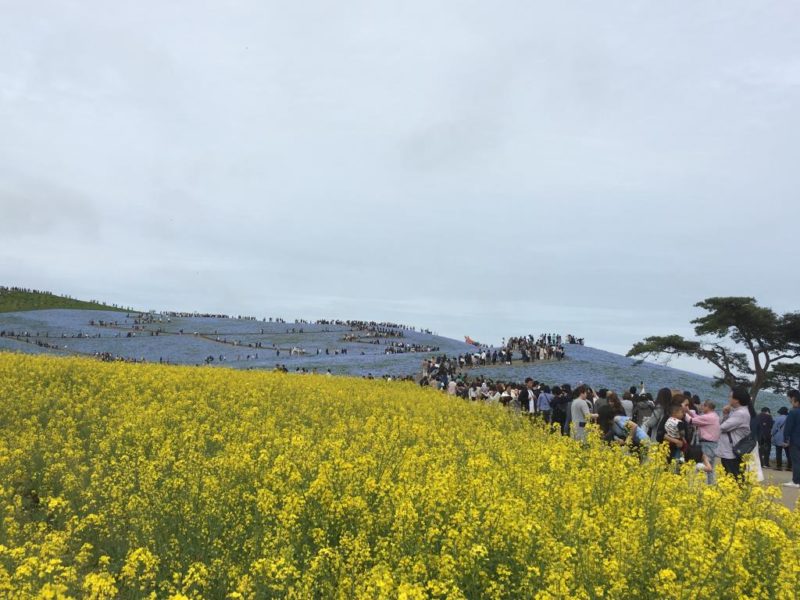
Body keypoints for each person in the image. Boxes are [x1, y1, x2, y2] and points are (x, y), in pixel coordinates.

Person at [717, 386, 752, 479]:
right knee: (732, 480)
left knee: (733, 480)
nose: (729, 399)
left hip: (732, 453)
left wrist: (723, 415)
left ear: (736, 400)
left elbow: (721, 427)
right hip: (730, 452)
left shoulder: (741, 413)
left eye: (730, 397)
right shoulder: (737, 411)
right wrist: (725, 414)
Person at [685, 400, 720, 484]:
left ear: (707, 407)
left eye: (703, 406)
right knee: (710, 466)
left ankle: (706, 486)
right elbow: (698, 418)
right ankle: (710, 485)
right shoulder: (714, 415)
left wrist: (683, 412)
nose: (701, 407)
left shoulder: (708, 417)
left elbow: (691, 421)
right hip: (712, 444)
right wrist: (689, 411)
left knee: (706, 466)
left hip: (707, 444)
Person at [781, 389, 800, 489]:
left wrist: (785, 440)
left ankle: (796, 481)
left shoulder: (793, 412)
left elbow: (788, 428)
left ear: (793, 399)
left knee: (796, 461)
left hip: (795, 441)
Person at [772, 407, 792, 471]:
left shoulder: (778, 418)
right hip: (787, 438)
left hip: (778, 437)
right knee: (788, 453)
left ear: (780, 412)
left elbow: (774, 428)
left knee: (778, 452)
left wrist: (772, 434)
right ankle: (790, 466)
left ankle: (779, 466)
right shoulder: (790, 418)